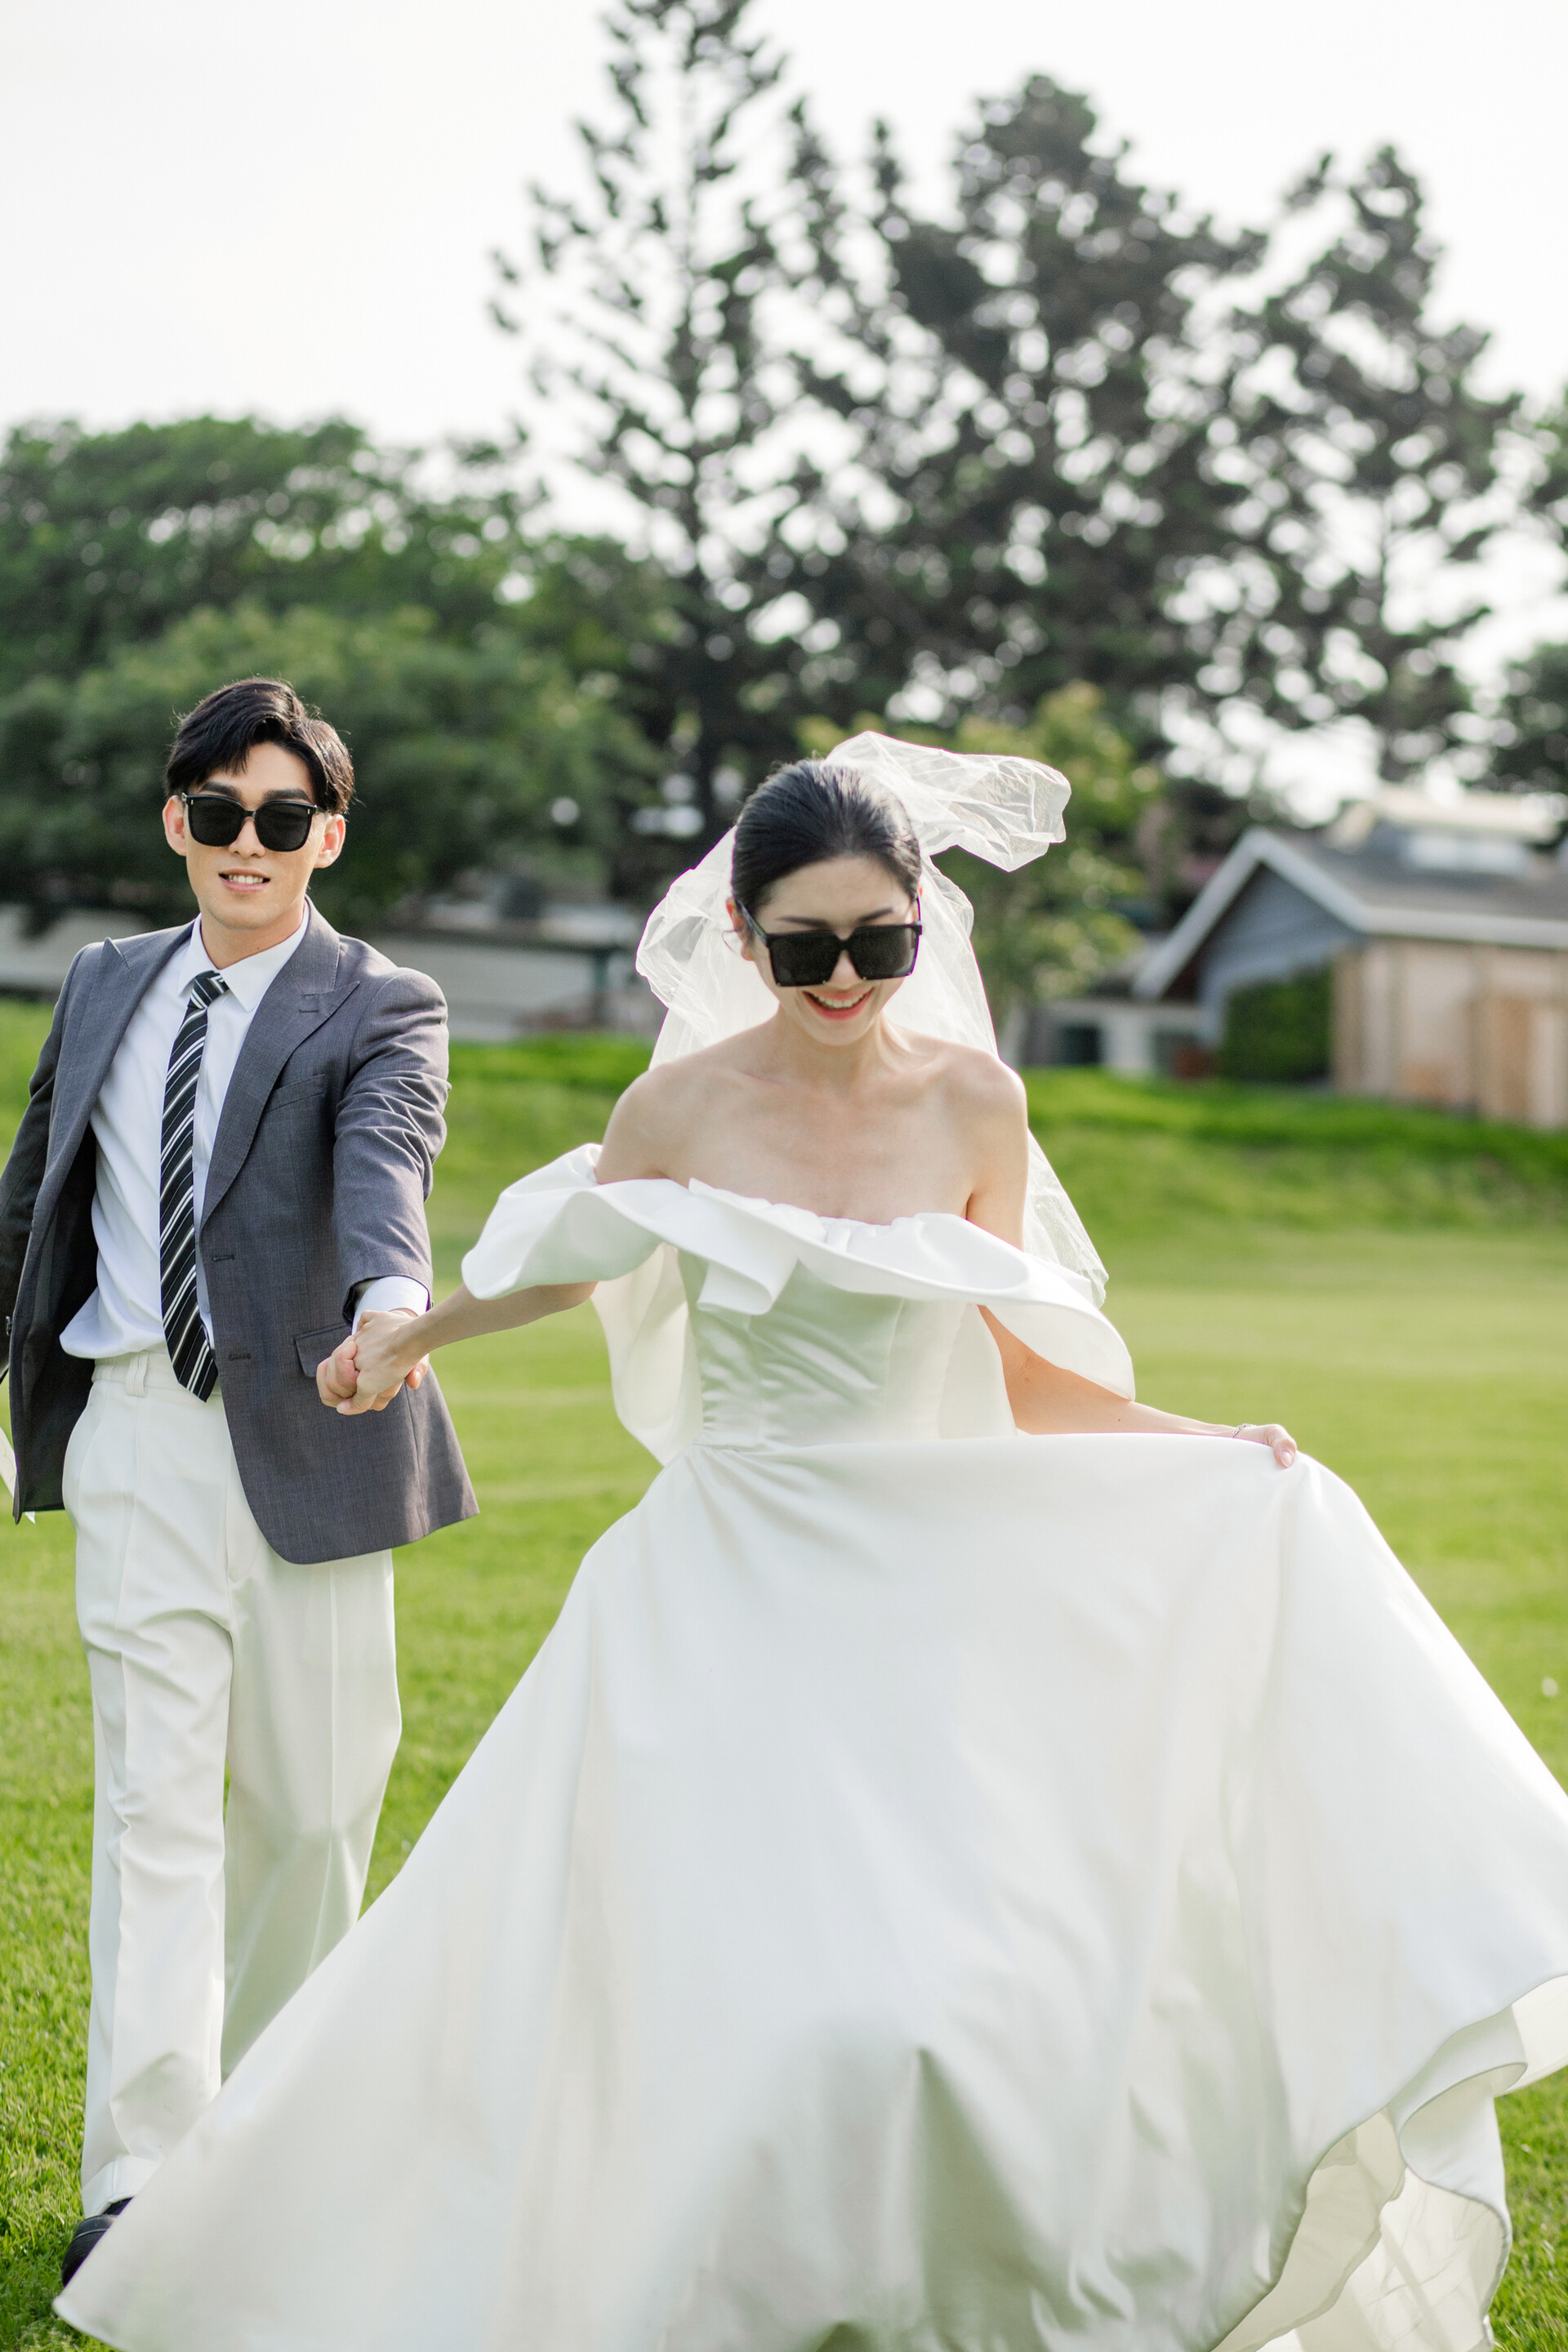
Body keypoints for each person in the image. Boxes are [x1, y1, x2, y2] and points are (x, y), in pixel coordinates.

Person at [59, 742, 1568, 2352]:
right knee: (715, 1973)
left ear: (923, 925)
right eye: (804, 948)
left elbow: (1026, 1374)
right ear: (744, 933)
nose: (843, 979)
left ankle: (931, 2280)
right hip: (723, 1584)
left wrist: (1214, 1450)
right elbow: (571, 1266)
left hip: (926, 1590)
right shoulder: (680, 1105)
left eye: (879, 942)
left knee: (953, 1981)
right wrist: (408, 1337)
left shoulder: (978, 1103)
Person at [0, 676, 475, 2291]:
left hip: (320, 1436)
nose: (247, 842)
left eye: (282, 817)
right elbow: (31, 1201)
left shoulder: (384, 1002)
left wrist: (389, 1312)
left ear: (327, 834)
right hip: (135, 1428)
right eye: (219, 814)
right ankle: (141, 2181)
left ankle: (275, 2150)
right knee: (153, 1809)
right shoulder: (102, 983)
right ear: (176, 823)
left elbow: (388, 1165)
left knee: (314, 1813)